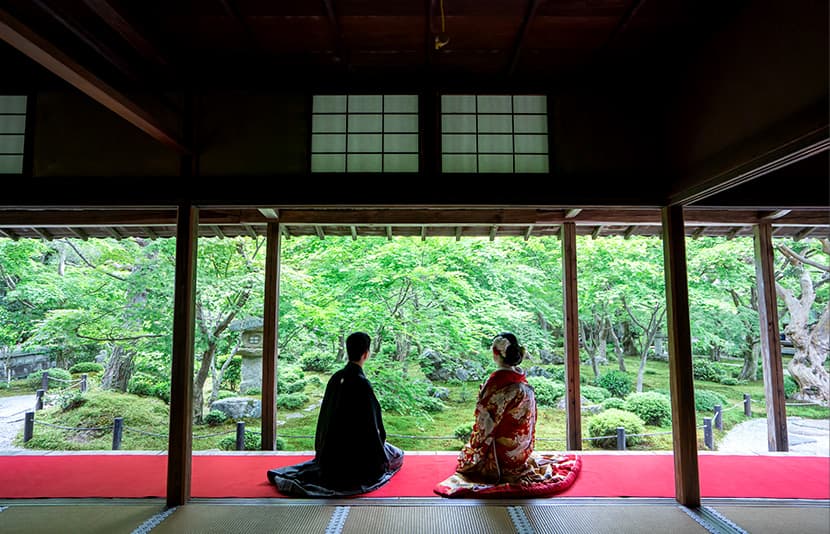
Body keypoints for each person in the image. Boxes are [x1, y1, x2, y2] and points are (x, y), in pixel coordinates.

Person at [434, 332, 581, 498]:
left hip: (500, 457)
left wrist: (476, 444)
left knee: (470, 458)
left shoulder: (496, 383)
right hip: (521, 448)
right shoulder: (521, 381)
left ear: (496, 353)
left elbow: (485, 423)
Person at [267, 332, 404, 496]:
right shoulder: (362, 384)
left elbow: (324, 419)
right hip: (356, 459)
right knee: (397, 454)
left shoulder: (336, 378)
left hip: (330, 455)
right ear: (366, 354)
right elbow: (373, 429)